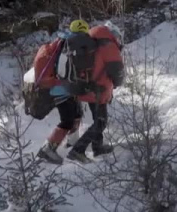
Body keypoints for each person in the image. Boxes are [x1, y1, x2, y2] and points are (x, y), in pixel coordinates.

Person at [36, 20, 124, 164]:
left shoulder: (75, 43)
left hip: (69, 86)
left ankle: (93, 146)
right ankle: (73, 149)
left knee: (77, 117)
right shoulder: (99, 44)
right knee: (92, 121)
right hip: (72, 88)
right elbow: (115, 68)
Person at [66, 21, 125, 163]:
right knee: (100, 122)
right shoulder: (108, 44)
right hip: (99, 89)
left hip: (87, 87)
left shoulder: (90, 40)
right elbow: (117, 69)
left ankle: (97, 147)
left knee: (97, 119)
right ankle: (77, 150)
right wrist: (117, 83)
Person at [35, 19, 90, 165]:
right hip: (63, 88)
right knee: (67, 121)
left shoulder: (62, 42)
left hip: (61, 86)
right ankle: (47, 149)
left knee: (77, 114)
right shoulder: (72, 44)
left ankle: (72, 143)